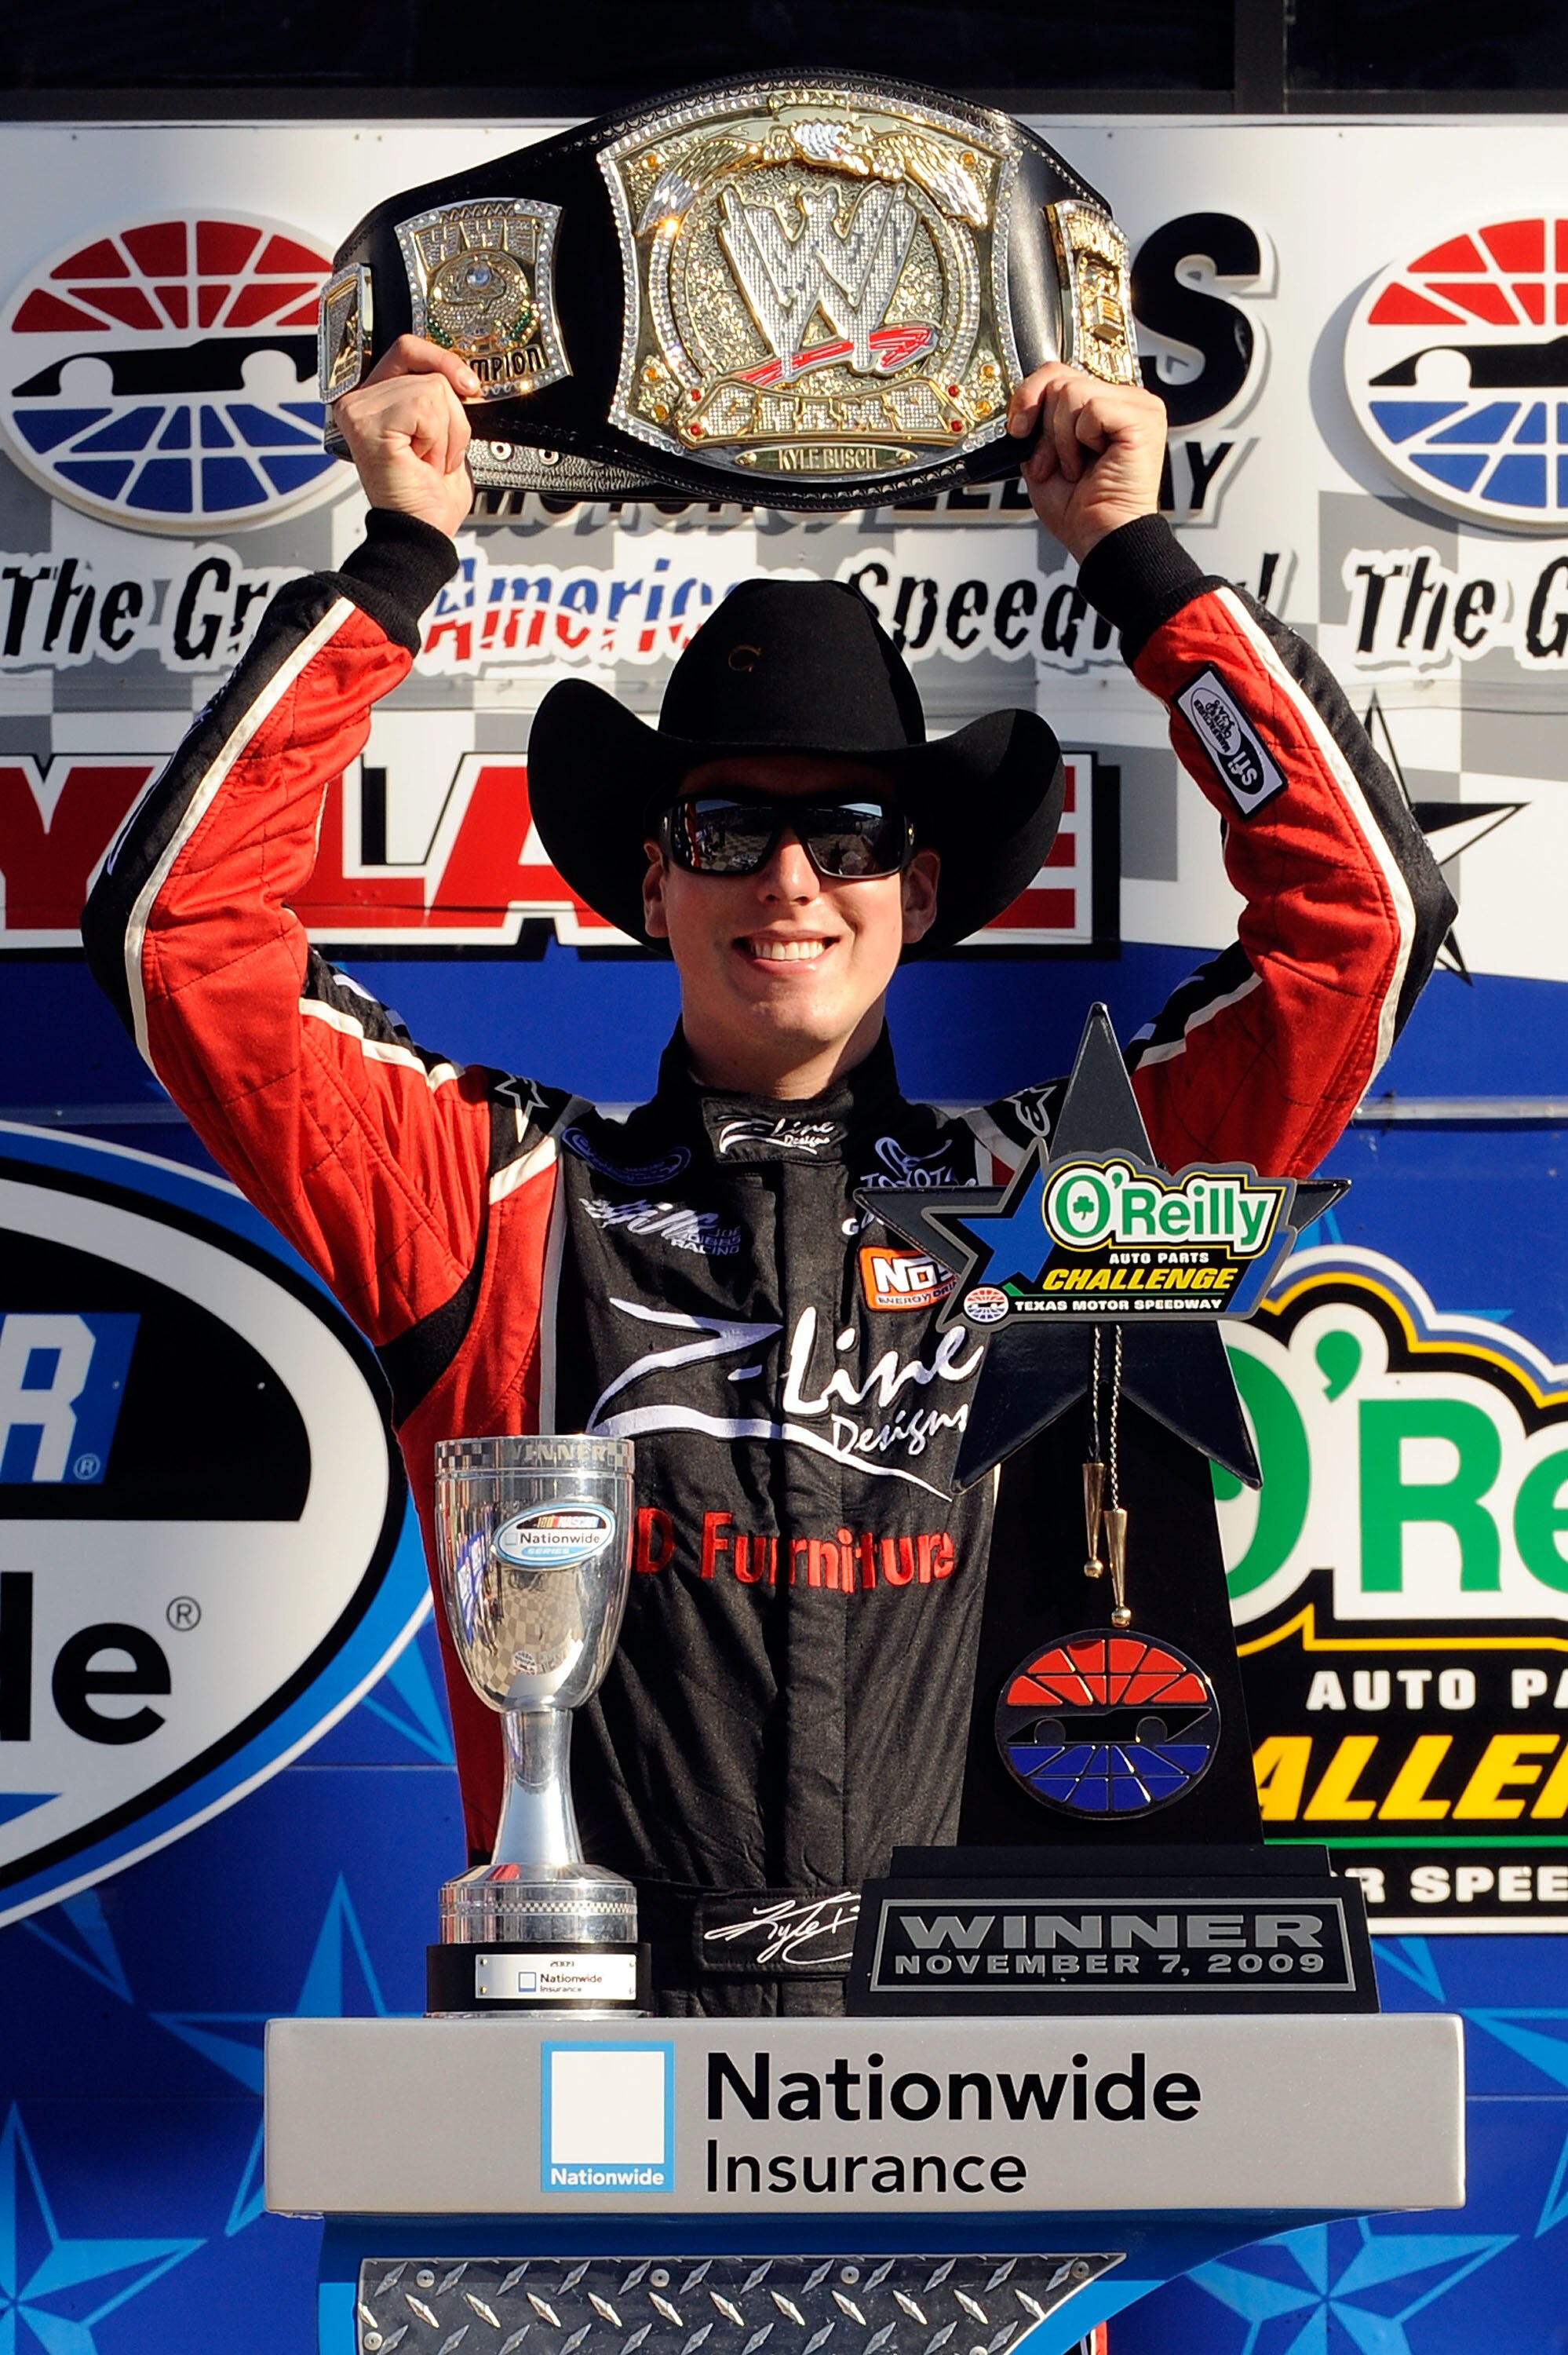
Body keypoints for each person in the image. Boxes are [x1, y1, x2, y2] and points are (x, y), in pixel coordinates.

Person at [82, 338, 1452, 2015]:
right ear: (650, 885)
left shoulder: (1075, 1209)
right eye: (729, 829)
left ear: (922, 892)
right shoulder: (497, 1198)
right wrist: (399, 562)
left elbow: (1360, 931)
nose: (792, 880)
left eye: (854, 837)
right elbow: (180, 937)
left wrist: (1139, 561)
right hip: (583, 2064)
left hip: (988, 2078)